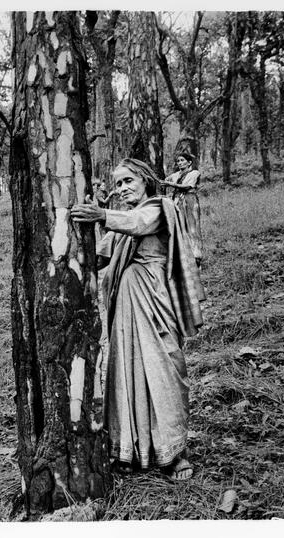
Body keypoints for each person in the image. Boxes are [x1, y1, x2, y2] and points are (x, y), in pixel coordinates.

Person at [71, 158, 205, 481]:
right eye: (117, 185)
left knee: (164, 372)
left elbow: (137, 223)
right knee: (127, 374)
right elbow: (100, 256)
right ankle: (131, 450)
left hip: (156, 304)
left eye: (128, 181)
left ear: (145, 180)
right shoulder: (120, 226)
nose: (122, 189)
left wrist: (102, 215)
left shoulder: (160, 208)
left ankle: (174, 453)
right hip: (126, 308)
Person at [160, 152, 203, 265]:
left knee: (192, 227)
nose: (180, 163)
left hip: (190, 201)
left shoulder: (194, 173)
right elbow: (164, 180)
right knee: (178, 226)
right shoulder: (176, 175)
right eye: (178, 161)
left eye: (182, 160)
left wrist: (171, 184)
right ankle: (181, 255)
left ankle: (196, 255)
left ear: (189, 162)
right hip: (177, 201)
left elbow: (188, 186)